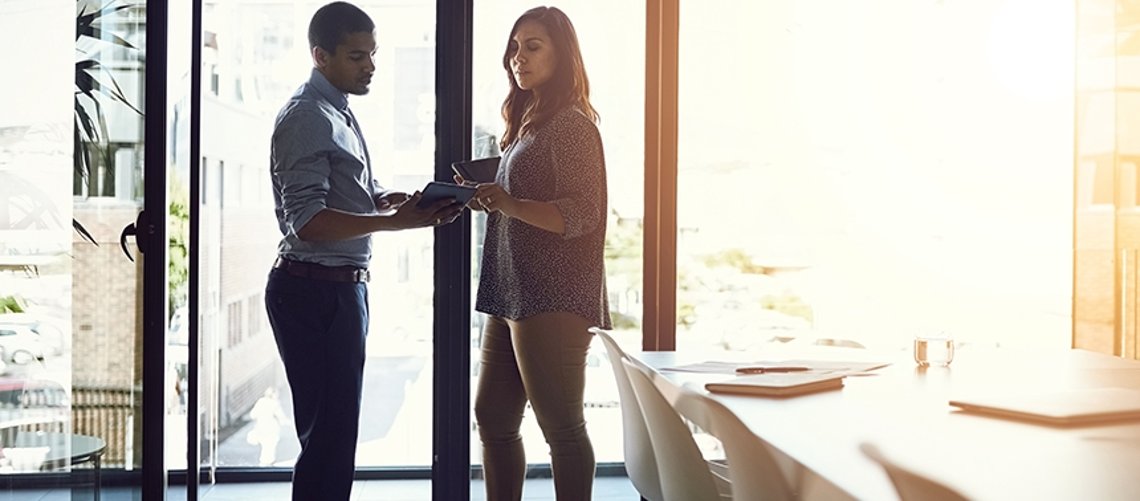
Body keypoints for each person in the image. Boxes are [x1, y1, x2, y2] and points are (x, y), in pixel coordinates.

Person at [264, 2, 461, 499]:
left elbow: (340, 192)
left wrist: (384, 200)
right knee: (328, 441)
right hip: (313, 294)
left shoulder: (337, 111)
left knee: (335, 437)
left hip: (337, 291)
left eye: (372, 54)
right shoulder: (307, 116)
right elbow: (307, 221)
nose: (370, 66)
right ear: (320, 55)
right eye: (357, 56)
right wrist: (395, 222)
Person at [462, 6, 612, 501]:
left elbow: (582, 212)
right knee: (493, 418)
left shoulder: (571, 124)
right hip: (513, 295)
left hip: (552, 298)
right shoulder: (530, 121)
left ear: (562, 54)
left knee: (563, 430)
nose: (517, 58)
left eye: (533, 46)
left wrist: (508, 201)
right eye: (514, 46)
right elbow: (527, 200)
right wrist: (492, 190)